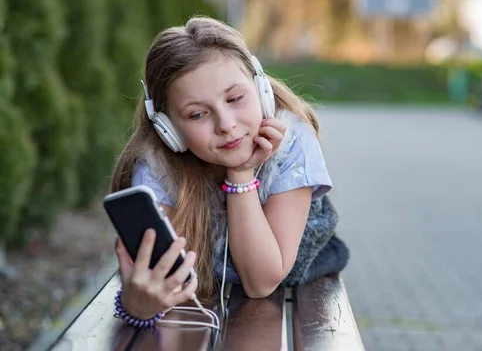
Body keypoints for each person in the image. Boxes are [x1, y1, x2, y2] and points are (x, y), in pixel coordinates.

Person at [109, 16, 349, 323]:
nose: (226, 124)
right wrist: (139, 308)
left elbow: (261, 283)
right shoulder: (157, 166)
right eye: (197, 114)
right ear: (168, 127)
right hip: (213, 285)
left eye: (235, 98)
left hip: (291, 270)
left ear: (260, 87)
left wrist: (241, 172)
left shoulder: (292, 139)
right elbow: (166, 280)